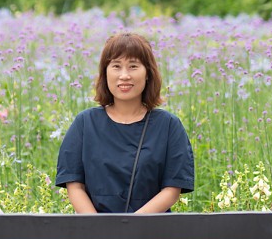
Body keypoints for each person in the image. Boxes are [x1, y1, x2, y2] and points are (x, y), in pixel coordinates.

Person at [56, 32, 194, 213]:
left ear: (148, 74)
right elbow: (74, 186)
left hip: (152, 232)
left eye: (133, 66)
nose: (124, 75)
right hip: (95, 235)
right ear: (105, 73)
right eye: (116, 66)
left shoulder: (168, 126)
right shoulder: (85, 123)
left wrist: (130, 227)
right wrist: (100, 230)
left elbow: (172, 190)